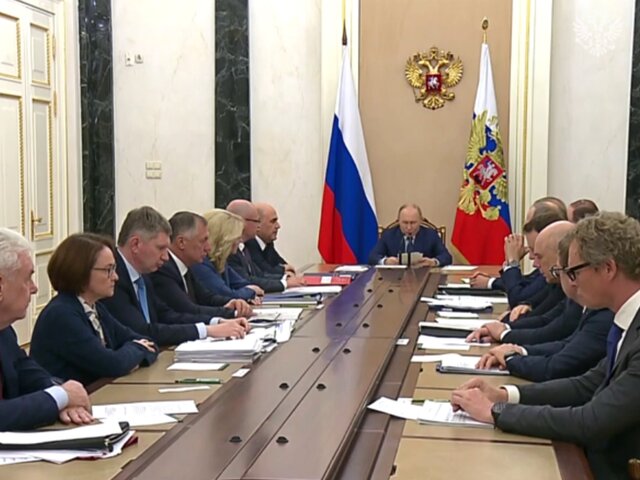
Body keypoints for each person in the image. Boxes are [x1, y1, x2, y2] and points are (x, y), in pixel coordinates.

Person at [451, 212, 640, 479]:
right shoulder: (627, 321)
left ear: (608, 269)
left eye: (575, 271)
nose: (571, 282)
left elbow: (591, 421)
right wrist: (503, 395)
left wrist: (494, 412)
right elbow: (586, 385)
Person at [101, 206, 250, 347]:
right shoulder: (113, 277)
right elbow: (142, 331)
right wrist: (206, 330)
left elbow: (166, 315)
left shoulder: (143, 274)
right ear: (135, 244)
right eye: (160, 248)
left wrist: (216, 322)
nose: (166, 257)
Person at [475, 231, 613, 382]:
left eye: (573, 272)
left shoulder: (604, 313)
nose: (571, 281)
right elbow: (564, 342)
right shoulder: (591, 303)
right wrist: (517, 350)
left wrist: (510, 354)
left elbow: (557, 365)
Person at [31, 233, 158, 386]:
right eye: (108, 270)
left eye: (114, 269)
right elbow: (112, 365)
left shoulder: (94, 307)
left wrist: (130, 356)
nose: (116, 277)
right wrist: (136, 349)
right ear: (80, 271)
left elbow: (150, 343)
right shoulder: (61, 315)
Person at [0, 228, 93, 430]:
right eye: (28, 278)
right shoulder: (61, 312)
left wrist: (62, 395)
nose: (35, 288)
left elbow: (26, 372)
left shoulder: (4, 330)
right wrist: (60, 396)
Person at [150, 211, 253, 317]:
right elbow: (187, 309)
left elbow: (206, 297)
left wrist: (233, 302)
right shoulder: (164, 269)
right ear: (181, 242)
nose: (208, 248)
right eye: (203, 241)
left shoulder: (185, 266)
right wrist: (231, 313)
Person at [226, 199, 306, 292]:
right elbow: (246, 281)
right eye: (256, 221)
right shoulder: (230, 249)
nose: (258, 226)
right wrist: (285, 283)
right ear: (242, 222)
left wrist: (285, 278)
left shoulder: (243, 246)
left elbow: (259, 274)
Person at [192, 209, 265, 301]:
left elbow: (241, 283)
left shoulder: (220, 260)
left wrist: (248, 293)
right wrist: (250, 293)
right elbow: (226, 294)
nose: (240, 240)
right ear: (224, 238)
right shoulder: (200, 263)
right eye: (237, 237)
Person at [368, 203, 452, 266]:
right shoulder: (388, 235)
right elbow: (373, 257)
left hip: (423, 277)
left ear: (420, 221)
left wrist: (433, 262)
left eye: (413, 223)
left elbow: (446, 257)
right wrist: (385, 261)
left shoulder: (431, 235)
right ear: (398, 221)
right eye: (405, 222)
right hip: (395, 279)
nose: (409, 227)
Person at [244, 202, 295, 276]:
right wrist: (284, 269)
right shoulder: (249, 243)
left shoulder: (268, 242)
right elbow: (264, 271)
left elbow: (281, 264)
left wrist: (286, 270)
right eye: (273, 221)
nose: (278, 226)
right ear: (258, 224)